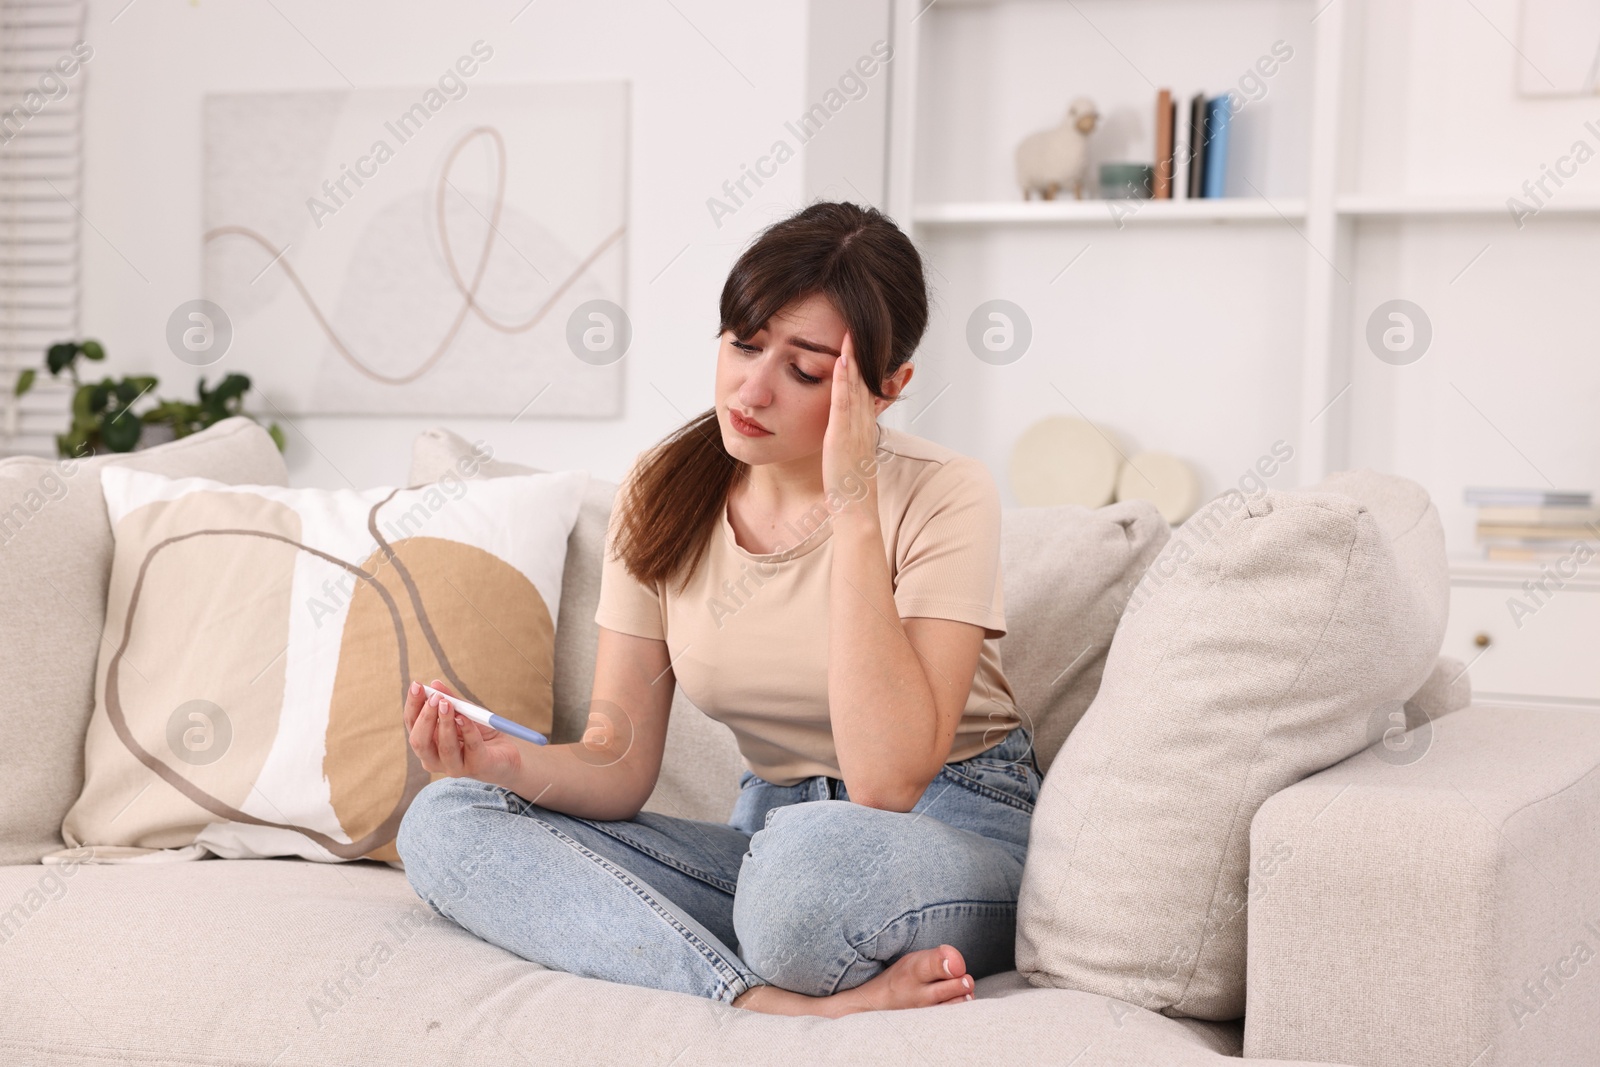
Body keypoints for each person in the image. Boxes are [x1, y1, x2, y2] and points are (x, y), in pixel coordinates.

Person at [395, 200, 1036, 1018]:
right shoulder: (664, 486)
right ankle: (760, 997)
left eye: (806, 370)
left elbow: (884, 780)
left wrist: (853, 506)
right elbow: (618, 757)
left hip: (947, 828)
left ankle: (765, 954)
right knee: (449, 819)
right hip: (770, 842)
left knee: (806, 884)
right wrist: (504, 763)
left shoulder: (946, 492)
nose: (752, 389)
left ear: (886, 390)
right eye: (744, 342)